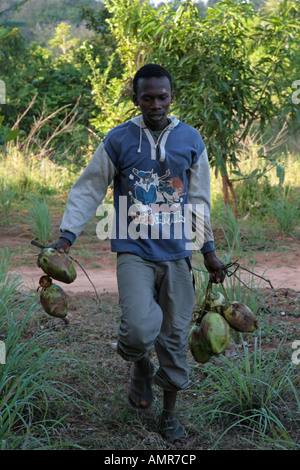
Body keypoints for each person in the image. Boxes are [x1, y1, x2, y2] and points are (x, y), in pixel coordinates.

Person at [50, 63, 225, 448]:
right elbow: (89, 187)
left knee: (176, 336)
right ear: (136, 98)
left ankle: (169, 416)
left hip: (178, 252)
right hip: (134, 250)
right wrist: (66, 236)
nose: (155, 104)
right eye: (147, 97)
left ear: (172, 97)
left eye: (162, 97)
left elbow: (198, 201)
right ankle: (141, 365)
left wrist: (208, 251)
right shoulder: (119, 139)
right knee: (137, 328)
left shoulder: (192, 140)